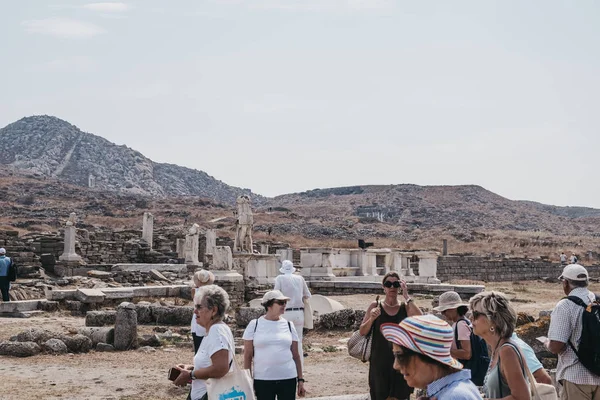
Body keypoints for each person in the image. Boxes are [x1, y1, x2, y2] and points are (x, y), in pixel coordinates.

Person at [380, 314, 481, 400]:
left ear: (427, 356)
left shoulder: (453, 396)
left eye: (400, 356)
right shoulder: (454, 391)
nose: (396, 365)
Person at [359, 272, 422, 400]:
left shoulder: (405, 307)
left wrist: (406, 296)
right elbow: (362, 331)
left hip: (402, 361)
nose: (392, 287)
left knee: (402, 396)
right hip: (379, 362)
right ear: (384, 287)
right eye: (388, 284)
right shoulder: (375, 306)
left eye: (396, 284)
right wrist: (371, 319)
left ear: (400, 286)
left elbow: (421, 320)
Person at [546, 264, 600, 399]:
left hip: (575, 375)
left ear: (565, 283)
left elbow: (556, 346)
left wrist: (547, 343)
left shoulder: (565, 306)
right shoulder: (597, 302)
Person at [172, 285, 234, 400]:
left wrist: (190, 375)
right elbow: (211, 364)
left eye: (199, 307)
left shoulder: (217, 331)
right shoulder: (215, 330)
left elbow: (220, 368)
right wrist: (190, 368)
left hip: (210, 395)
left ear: (214, 310)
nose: (195, 311)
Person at [243, 290, 305, 400]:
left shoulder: (289, 325)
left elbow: (296, 355)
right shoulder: (254, 325)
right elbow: (247, 356)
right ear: (269, 305)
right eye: (280, 302)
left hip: (288, 377)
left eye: (285, 302)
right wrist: (248, 380)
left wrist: (300, 380)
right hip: (262, 379)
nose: (284, 305)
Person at [469, 291, 530, 399]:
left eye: (475, 314)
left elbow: (522, 397)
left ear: (493, 320)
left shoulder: (507, 351)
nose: (470, 318)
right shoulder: (497, 348)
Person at [274, 260, 311, 364]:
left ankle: (285, 365)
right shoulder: (300, 278)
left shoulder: (279, 278)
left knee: (283, 340)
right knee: (298, 341)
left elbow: (275, 295)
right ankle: (300, 368)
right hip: (299, 313)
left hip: (285, 312)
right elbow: (307, 295)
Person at [190, 270, 215, 353]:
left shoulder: (194, 291)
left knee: (198, 345)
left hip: (197, 317)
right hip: (207, 317)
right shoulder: (211, 292)